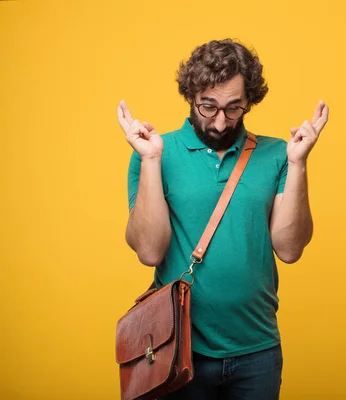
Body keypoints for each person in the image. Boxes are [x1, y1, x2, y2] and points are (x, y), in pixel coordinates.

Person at [116, 38, 329, 400]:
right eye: (208, 106)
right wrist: (151, 160)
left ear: (249, 101)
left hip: (257, 351)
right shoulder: (154, 152)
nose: (219, 121)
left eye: (234, 108)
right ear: (190, 95)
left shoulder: (278, 154)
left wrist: (298, 164)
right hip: (178, 350)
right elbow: (150, 252)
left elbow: (290, 249)